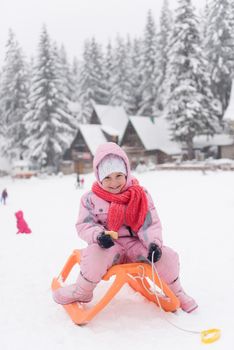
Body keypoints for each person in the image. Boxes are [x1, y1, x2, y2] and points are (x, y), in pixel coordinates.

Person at [53, 142, 198, 313]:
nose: (114, 182)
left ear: (127, 173)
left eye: (118, 175)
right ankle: (82, 291)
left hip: (135, 245)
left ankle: (177, 293)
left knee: (167, 256)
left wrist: (154, 244)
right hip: (109, 246)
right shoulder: (90, 199)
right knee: (93, 255)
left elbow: (150, 223)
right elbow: (84, 225)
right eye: (107, 177)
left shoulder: (140, 194)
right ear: (99, 177)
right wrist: (99, 236)